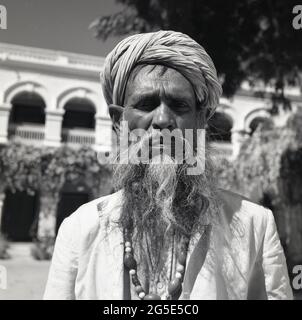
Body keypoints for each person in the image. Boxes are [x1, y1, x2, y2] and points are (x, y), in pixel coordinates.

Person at [44, 30, 293, 300]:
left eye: (178, 105)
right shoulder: (80, 228)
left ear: (201, 120)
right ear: (119, 122)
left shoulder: (254, 224)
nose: (163, 119)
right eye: (146, 104)